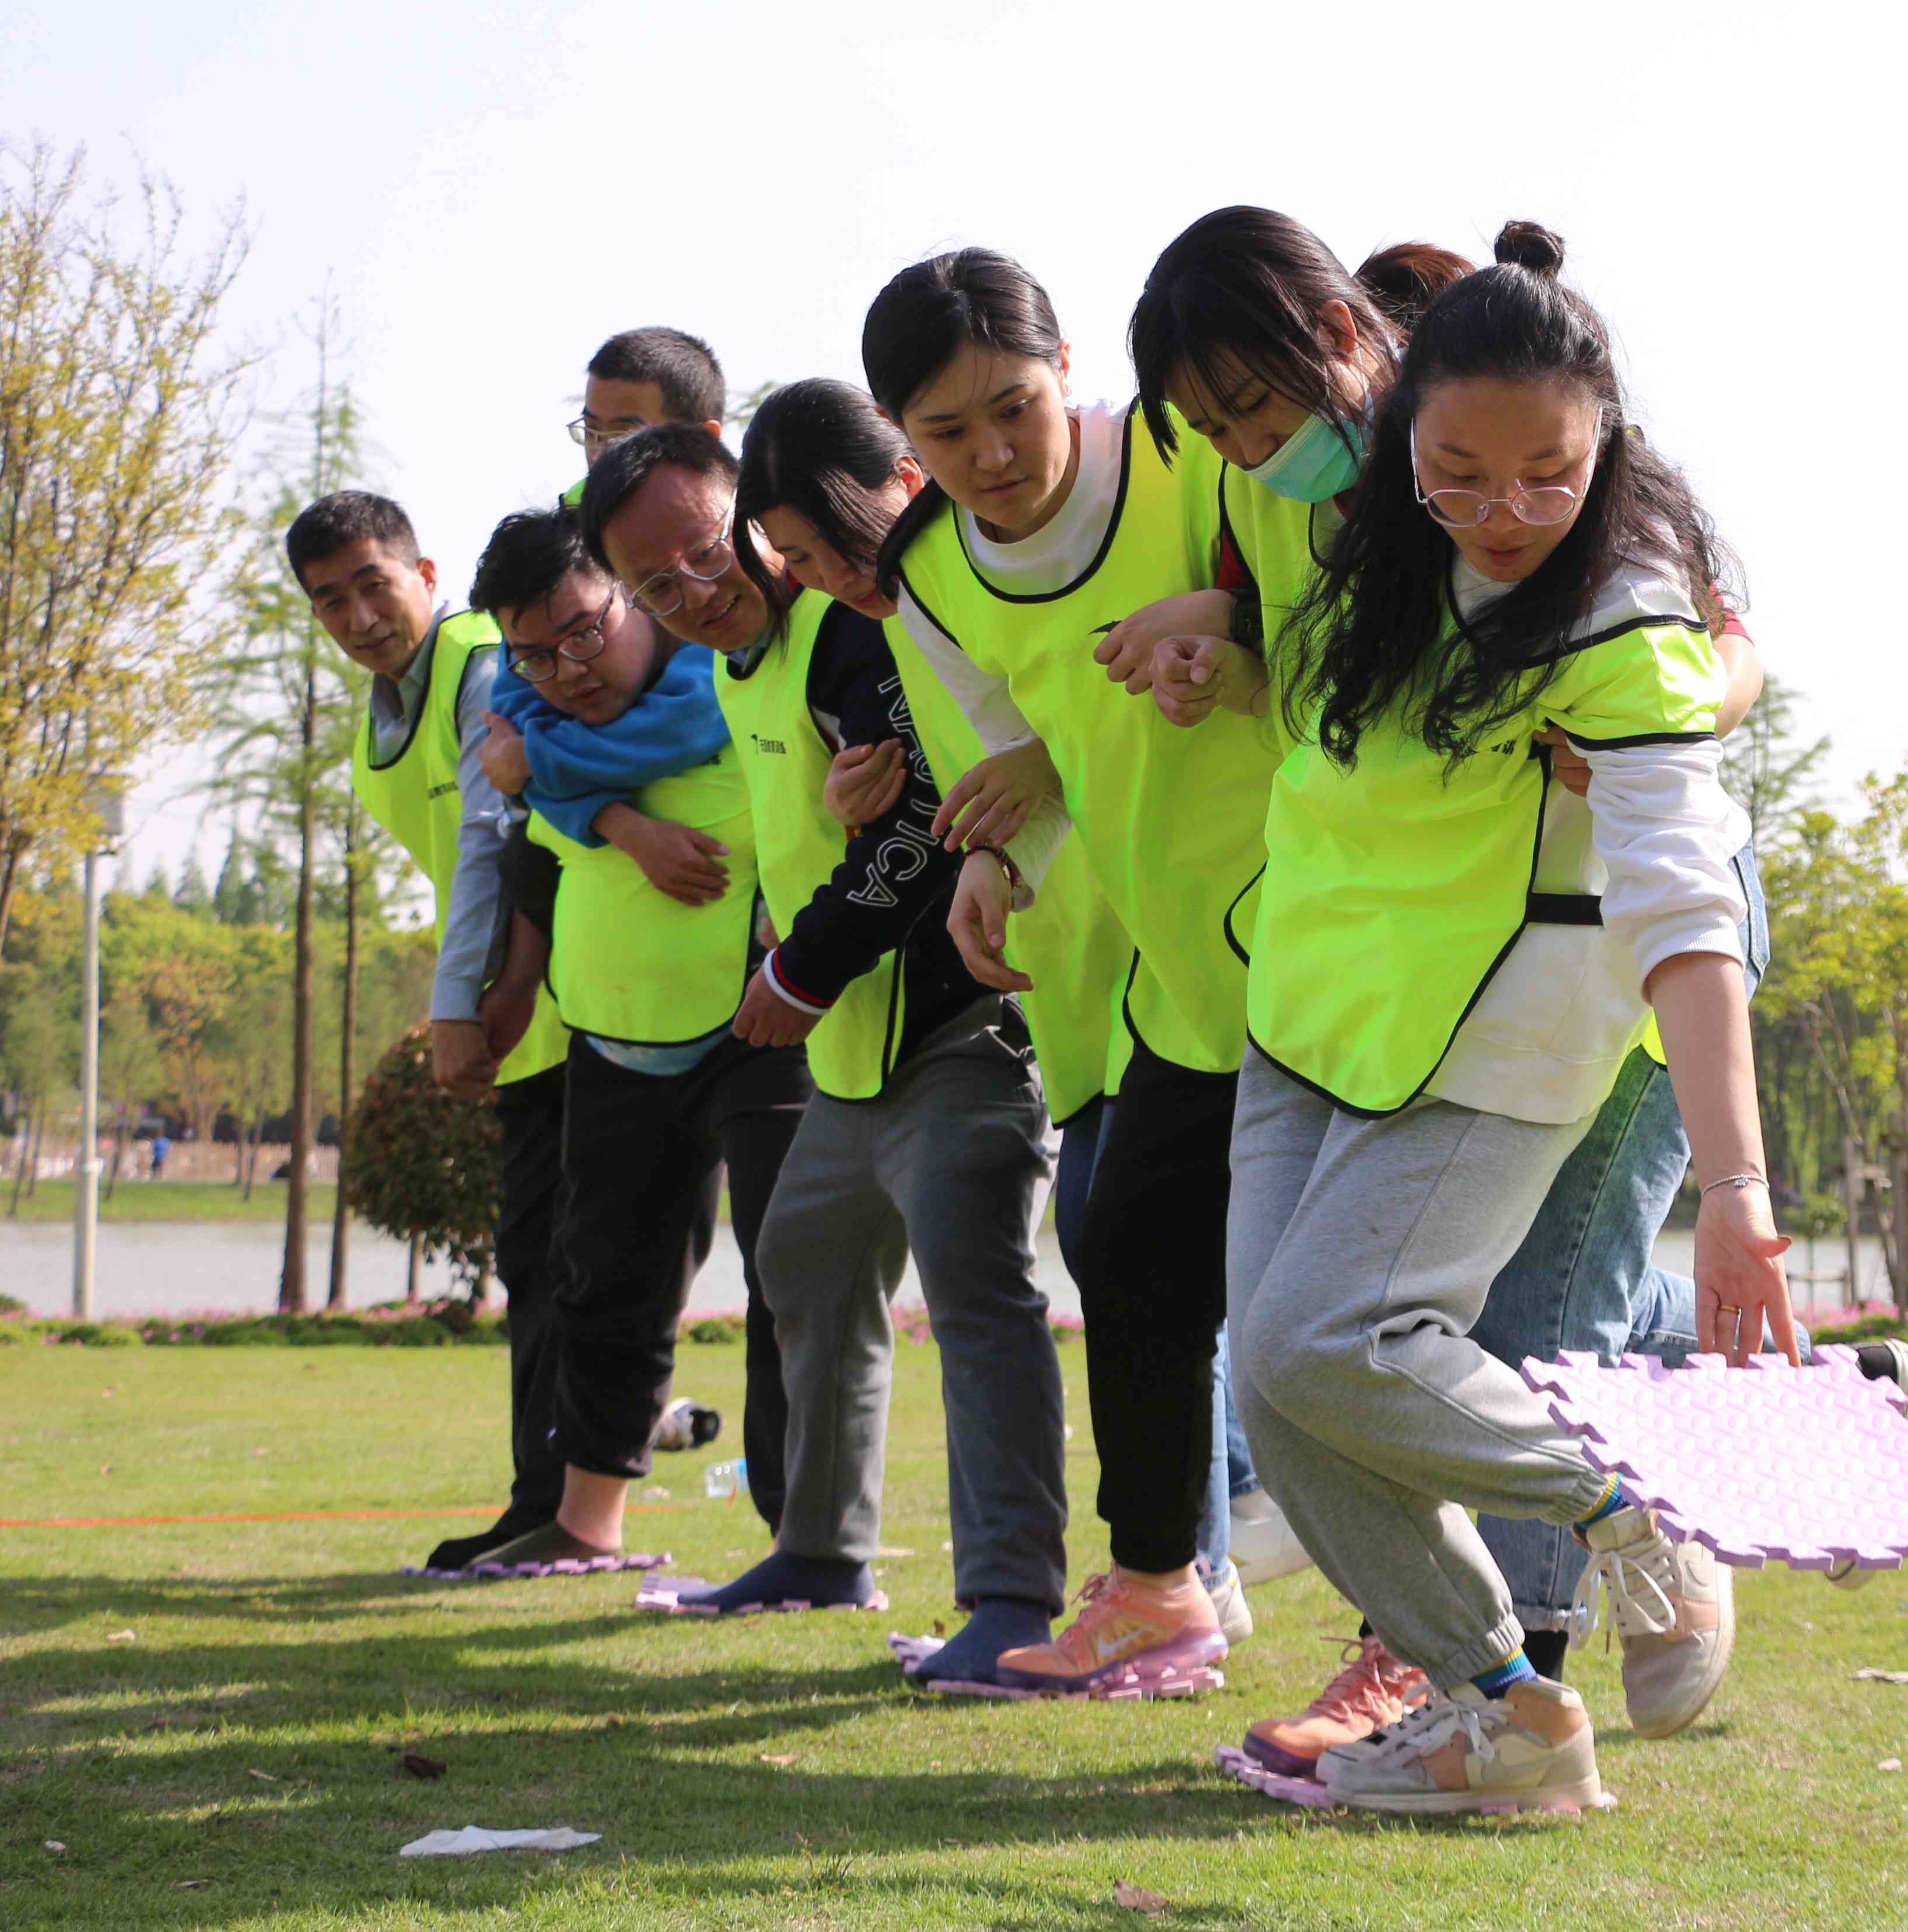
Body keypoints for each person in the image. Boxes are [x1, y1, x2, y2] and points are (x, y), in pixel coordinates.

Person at [1127, 209, 1780, 1773]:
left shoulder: (1622, 604)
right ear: (1407, 437)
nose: (1508, 511)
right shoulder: (1357, 533)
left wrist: (1740, 1187)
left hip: (1496, 1023)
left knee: (1334, 1343)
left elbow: (1685, 901)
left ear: (1604, 441)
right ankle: (1505, 1717)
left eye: (1551, 474)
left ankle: (1634, 1508)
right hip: (1308, 1002)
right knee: (1283, 1394)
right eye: (1466, 475)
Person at [584, 405, 1070, 1676]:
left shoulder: (849, 627)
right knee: (803, 1266)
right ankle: (819, 1551)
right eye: (650, 581)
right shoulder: (743, 670)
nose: (688, 590)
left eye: (703, 551)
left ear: (749, 518)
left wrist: (799, 971)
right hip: (849, 1060)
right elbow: (820, 829)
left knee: (981, 1301)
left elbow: (919, 821)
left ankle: (1015, 1598)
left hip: (959, 1021)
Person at [862, 248, 1273, 1695]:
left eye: (1012, 409)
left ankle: (1248, 1597)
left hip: (1330, 925)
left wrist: (1229, 634)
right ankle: (1163, 1586)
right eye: (943, 432)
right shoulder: (917, 575)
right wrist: (993, 854)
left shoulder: (1195, 454)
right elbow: (993, 750)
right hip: (1162, 957)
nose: (989, 456)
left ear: (1067, 369)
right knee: (1130, 1243)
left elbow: (1351, 624)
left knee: (1344, 1293)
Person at [456, 507, 808, 1574]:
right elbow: (522, 815)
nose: (562, 670)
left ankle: (805, 1534)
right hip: (612, 1021)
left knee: (790, 1277)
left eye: (580, 631)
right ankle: (587, 1520)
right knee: (603, 1274)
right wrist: (617, 824)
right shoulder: (520, 715)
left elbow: (588, 763)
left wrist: (584, 798)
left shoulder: (738, 669)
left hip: (768, 1012)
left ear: (622, 586)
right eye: (528, 650)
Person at [284, 489, 571, 1574]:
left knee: (579, 1268)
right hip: (524, 1022)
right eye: (329, 600)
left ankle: (572, 1507)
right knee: (541, 1264)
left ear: (426, 572)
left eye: (371, 583)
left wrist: (458, 1006)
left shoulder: (480, 664)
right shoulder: (375, 718)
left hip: (583, 996)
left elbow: (494, 844)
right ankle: (544, 1503)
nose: (357, 615)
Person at [566, 326, 727, 507]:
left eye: (622, 438)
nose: (598, 456)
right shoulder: (567, 521)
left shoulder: (750, 529)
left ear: (704, 441)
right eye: (591, 430)